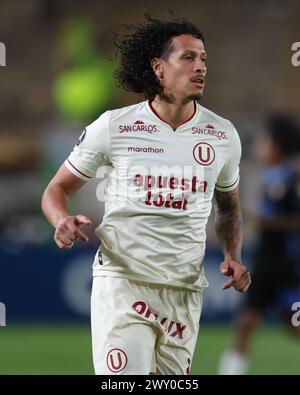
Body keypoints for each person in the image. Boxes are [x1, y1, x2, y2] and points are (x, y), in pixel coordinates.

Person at [41, 16, 251, 375]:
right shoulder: (114, 126)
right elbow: (56, 189)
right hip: (123, 283)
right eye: (188, 58)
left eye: (203, 59)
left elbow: (228, 207)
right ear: (158, 67)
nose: (200, 66)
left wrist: (233, 254)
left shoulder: (222, 135)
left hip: (183, 291)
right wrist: (61, 219)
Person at [218, 114, 300, 375]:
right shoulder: (269, 177)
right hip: (265, 264)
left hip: (289, 266)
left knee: (294, 324)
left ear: (278, 145)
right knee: (246, 322)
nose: (259, 146)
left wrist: (259, 219)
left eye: (265, 141)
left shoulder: (293, 179)